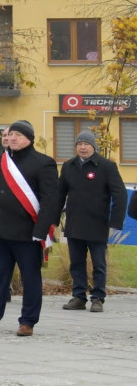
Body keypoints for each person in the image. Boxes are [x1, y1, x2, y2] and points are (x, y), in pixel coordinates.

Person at [0, 120, 58, 336]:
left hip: (28, 233)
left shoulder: (43, 163)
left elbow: (50, 201)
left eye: (17, 135)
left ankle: (27, 322)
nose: (11, 139)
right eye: (9, 135)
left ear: (29, 138)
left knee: (30, 278)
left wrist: (41, 231)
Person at [57, 130, 126, 313]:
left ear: (93, 146)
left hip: (98, 224)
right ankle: (79, 296)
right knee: (76, 263)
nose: (83, 147)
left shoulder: (106, 166)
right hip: (74, 224)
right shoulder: (69, 166)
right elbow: (59, 194)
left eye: (86, 144)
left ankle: (98, 298)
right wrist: (53, 220)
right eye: (79, 144)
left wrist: (115, 223)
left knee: (98, 264)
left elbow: (120, 195)